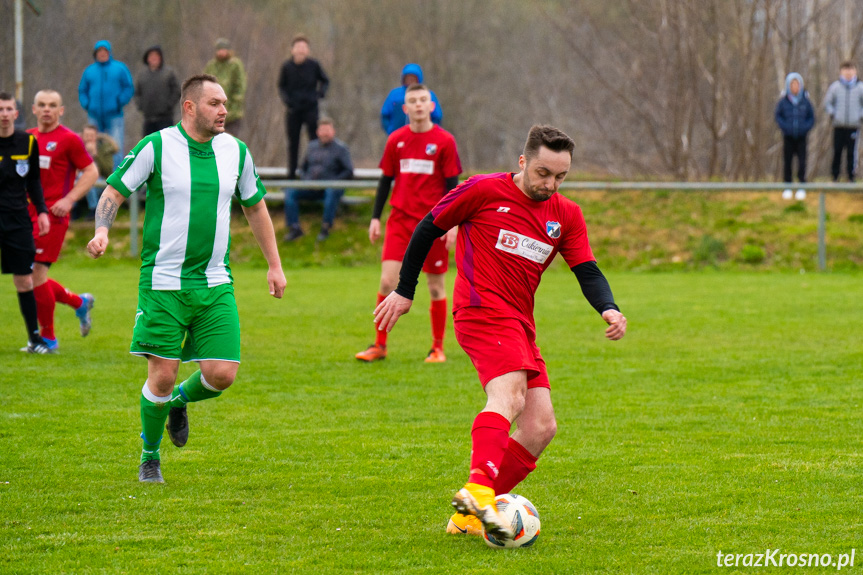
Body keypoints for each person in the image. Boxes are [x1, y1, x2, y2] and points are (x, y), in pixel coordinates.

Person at [373, 125, 627, 541]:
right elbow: (428, 227)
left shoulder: (566, 214)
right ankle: (477, 492)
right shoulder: (482, 190)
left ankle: (470, 512)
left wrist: (609, 307)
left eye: (561, 176)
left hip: (520, 323)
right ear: (523, 161)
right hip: (480, 310)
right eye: (544, 173)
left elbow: (586, 269)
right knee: (507, 397)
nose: (550, 184)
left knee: (541, 426)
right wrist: (405, 290)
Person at [86, 74, 286, 484]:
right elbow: (113, 192)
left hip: (214, 282)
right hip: (163, 283)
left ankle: (179, 401)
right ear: (190, 107)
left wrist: (275, 264)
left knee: (222, 374)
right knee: (161, 374)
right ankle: (149, 457)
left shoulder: (236, 151)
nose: (224, 110)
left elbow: (256, 208)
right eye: (214, 103)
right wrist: (102, 229)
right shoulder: (157, 146)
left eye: (225, 102)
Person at [355, 83, 461, 364]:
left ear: (431, 106)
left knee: (436, 287)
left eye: (422, 100)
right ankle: (379, 345)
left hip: (434, 223)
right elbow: (385, 181)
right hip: (400, 222)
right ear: (405, 108)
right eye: (412, 100)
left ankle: (437, 348)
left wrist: (453, 225)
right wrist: (376, 217)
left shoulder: (445, 142)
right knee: (388, 280)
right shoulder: (395, 140)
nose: (417, 105)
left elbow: (454, 187)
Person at [27, 90, 99, 352]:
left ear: (61, 110)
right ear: (33, 109)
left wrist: (69, 200)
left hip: (53, 217)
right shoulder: (27, 138)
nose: (47, 109)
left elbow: (92, 172)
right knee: (30, 276)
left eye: (52, 105)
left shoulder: (69, 140)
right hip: (25, 215)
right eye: (42, 105)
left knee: (36, 274)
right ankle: (79, 303)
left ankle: (48, 339)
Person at [0, 92, 52, 353]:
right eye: (1, 109)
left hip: (18, 220)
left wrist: (42, 211)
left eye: (9, 109)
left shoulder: (28, 142)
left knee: (25, 280)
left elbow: (33, 182)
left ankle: (34, 339)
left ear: (16, 114)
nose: (4, 114)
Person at [283, 117, 353, 242]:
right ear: (317, 132)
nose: (325, 133)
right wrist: (306, 180)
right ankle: (294, 228)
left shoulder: (341, 149)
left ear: (333, 131)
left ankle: (326, 227)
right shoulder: (312, 147)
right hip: (310, 186)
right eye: (322, 130)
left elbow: (348, 171)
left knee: (331, 192)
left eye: (327, 130)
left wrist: (334, 181)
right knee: (290, 191)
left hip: (330, 188)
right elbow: (303, 168)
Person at [278, 34, 330, 180]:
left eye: (304, 48)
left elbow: (325, 81)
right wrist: (288, 101)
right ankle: (291, 175)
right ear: (292, 50)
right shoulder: (287, 67)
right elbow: (281, 87)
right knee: (293, 142)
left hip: (311, 109)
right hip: (293, 109)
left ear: (308, 50)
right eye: (298, 47)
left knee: (314, 141)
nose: (301, 50)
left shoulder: (314, 65)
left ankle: (314, 173)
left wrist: (319, 95)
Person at [77, 40, 134, 169]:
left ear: (109, 53)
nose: (102, 54)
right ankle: (95, 178)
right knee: (92, 146)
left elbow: (128, 88)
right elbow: (82, 90)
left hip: (114, 115)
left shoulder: (119, 68)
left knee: (115, 146)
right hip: (94, 116)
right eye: (99, 52)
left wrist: (119, 102)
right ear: (95, 54)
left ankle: (116, 177)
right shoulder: (89, 71)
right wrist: (87, 104)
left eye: (105, 51)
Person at [775, 72, 814, 201]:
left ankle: (802, 186)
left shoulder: (805, 101)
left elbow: (812, 117)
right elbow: (778, 116)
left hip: (802, 137)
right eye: (793, 85)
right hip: (788, 137)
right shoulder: (784, 101)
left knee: (802, 162)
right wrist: (785, 128)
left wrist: (805, 128)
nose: (795, 87)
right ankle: (787, 187)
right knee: (787, 162)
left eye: (797, 84)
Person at [824, 60, 863, 183]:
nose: (848, 73)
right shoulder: (835, 87)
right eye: (846, 70)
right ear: (841, 71)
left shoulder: (860, 87)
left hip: (853, 125)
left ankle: (851, 178)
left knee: (852, 153)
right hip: (839, 125)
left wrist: (860, 115)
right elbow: (827, 103)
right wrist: (833, 114)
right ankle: (835, 177)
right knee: (837, 152)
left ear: (855, 71)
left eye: (850, 70)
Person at [380, 63, 443, 135]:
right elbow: (385, 115)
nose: (410, 80)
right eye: (407, 78)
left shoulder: (428, 94)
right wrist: (390, 130)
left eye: (413, 78)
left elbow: (437, 116)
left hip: (424, 135)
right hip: (399, 136)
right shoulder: (395, 94)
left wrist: (431, 132)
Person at [135, 45, 181, 136]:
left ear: (160, 58)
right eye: (151, 56)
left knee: (166, 144)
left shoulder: (169, 73)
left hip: (165, 118)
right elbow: (137, 93)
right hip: (148, 118)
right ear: (147, 59)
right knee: (148, 145)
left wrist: (168, 105)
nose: (153, 58)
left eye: (156, 56)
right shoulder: (142, 75)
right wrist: (141, 106)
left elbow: (176, 91)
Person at [203, 38, 247, 135]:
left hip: (232, 113)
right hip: (213, 114)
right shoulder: (211, 66)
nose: (221, 52)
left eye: (224, 49)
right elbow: (204, 86)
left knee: (230, 142)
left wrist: (232, 109)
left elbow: (239, 87)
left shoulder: (235, 65)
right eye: (219, 50)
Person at [78, 124, 118, 220]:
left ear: (96, 137)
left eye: (91, 136)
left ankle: (94, 209)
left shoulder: (104, 149)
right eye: (86, 136)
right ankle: (74, 209)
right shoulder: (78, 148)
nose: (89, 139)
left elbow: (108, 171)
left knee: (87, 178)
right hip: (80, 181)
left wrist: (96, 155)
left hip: (100, 181)